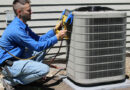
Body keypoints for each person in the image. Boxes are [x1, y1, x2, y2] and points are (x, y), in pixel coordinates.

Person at [0, 0, 67, 89]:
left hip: (16, 59)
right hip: (8, 66)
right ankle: (10, 81)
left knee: (41, 50)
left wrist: (54, 31)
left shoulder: (22, 25)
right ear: (19, 12)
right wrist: (57, 37)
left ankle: (31, 79)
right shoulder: (16, 30)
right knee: (44, 69)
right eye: (29, 10)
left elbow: (39, 40)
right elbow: (37, 46)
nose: (32, 12)